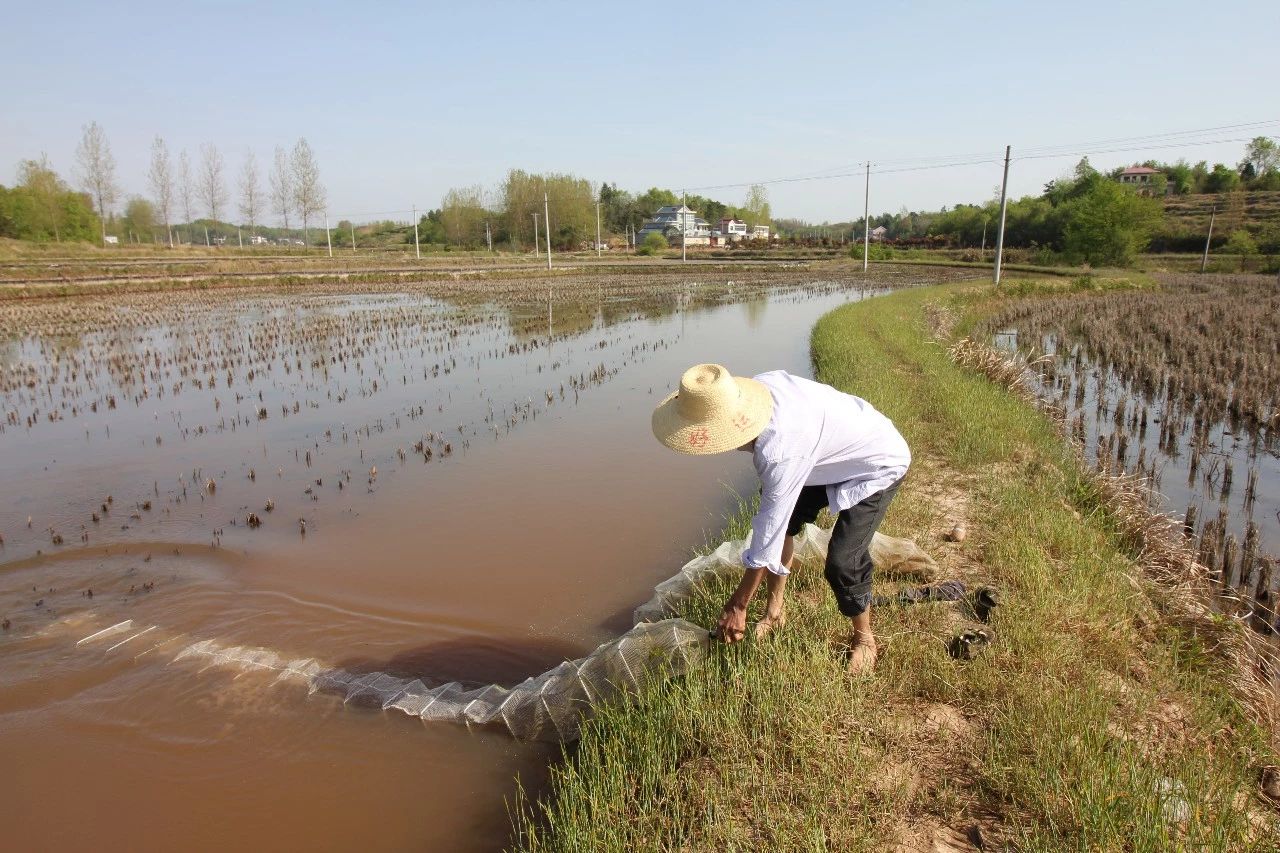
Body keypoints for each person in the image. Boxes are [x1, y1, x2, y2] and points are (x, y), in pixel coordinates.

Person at [651, 363, 910, 675]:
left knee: (843, 561)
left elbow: (767, 540)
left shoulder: (779, 452)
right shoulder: (758, 394)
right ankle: (775, 611)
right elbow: (776, 524)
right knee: (785, 523)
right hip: (823, 453)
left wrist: (738, 606)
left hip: (877, 461)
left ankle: (865, 638)